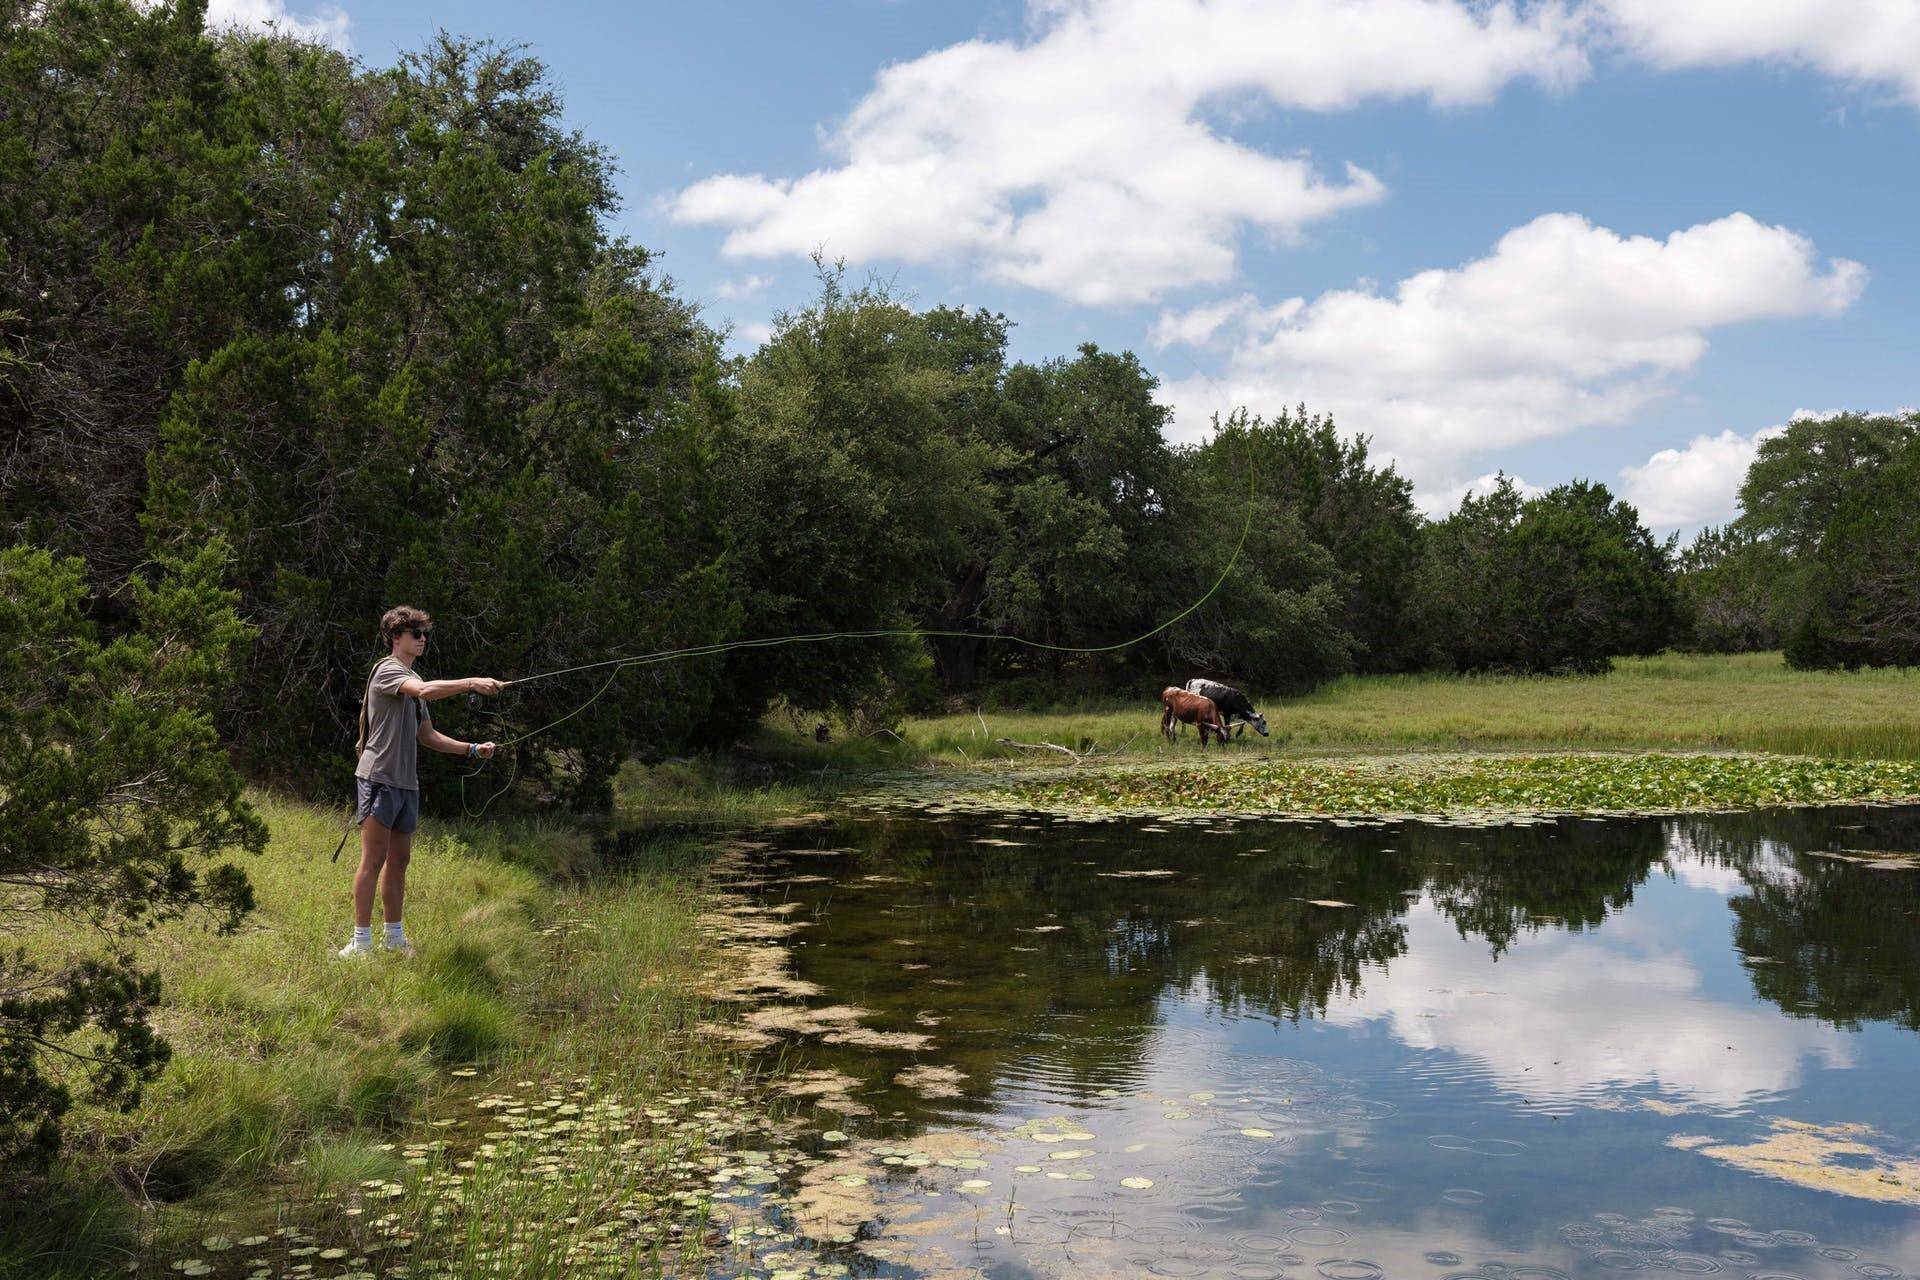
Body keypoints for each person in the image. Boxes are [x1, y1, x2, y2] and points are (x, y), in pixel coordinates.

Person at [339, 605, 505, 958]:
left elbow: (427, 736)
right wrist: (471, 682)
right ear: (396, 637)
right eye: (416, 634)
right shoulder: (388, 671)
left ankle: (394, 938)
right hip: (378, 778)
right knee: (373, 859)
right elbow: (426, 691)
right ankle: (360, 943)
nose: (423, 639)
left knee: (400, 860)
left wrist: (472, 749)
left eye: (424, 634)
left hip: (406, 783)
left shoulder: (415, 686)